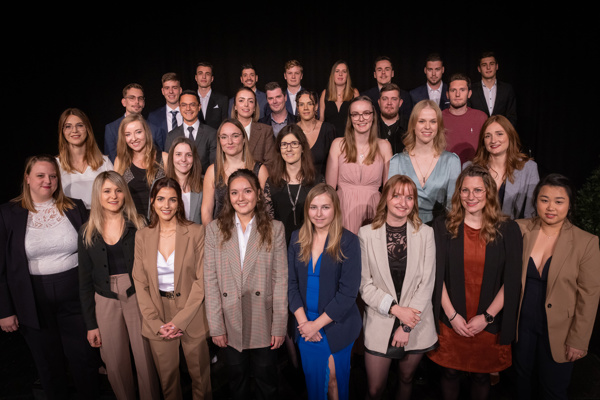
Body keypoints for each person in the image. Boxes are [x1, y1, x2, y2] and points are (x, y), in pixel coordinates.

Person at [0, 155, 100, 399]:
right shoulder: (8, 213)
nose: (47, 180)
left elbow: (92, 252)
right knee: (48, 365)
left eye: (52, 176)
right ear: (27, 178)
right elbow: (1, 266)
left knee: (84, 360)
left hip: (75, 297)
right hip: (32, 300)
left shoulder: (75, 207)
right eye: (40, 175)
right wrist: (5, 310)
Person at [428, 164, 522, 400]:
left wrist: (487, 318)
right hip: (451, 318)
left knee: (481, 376)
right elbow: (435, 276)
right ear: (458, 193)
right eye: (465, 190)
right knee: (449, 372)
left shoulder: (508, 229)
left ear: (489, 193)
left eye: (478, 190)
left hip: (488, 321)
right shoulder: (442, 226)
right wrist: (451, 316)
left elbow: (511, 281)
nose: (471, 197)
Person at [513, 174, 600, 400]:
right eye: (544, 200)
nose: (551, 207)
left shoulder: (586, 242)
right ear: (536, 201)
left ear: (570, 205)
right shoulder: (519, 229)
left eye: (559, 201)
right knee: (521, 382)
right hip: (522, 325)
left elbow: (589, 295)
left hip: (560, 330)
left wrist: (578, 340)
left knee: (553, 389)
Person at [204, 168, 288, 400]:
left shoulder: (275, 229)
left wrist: (279, 325)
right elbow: (210, 281)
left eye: (247, 191)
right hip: (230, 321)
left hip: (264, 319)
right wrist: (216, 326)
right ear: (228, 197)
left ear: (258, 194)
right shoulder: (214, 230)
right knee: (237, 385)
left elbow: (280, 280)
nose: (240, 198)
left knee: (267, 385)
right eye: (234, 192)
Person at [78, 171, 160, 400]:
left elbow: (153, 269)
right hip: (104, 299)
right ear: (98, 195)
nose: (113, 196)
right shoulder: (87, 232)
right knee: (114, 363)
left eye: (118, 190)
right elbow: (84, 282)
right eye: (107, 191)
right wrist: (91, 325)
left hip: (137, 295)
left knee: (146, 359)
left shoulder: (140, 223)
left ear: (125, 193)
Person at [359, 174, 438, 400]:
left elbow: (427, 283)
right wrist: (396, 310)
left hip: (415, 321)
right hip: (380, 317)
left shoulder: (426, 233)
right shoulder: (366, 234)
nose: (403, 203)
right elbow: (365, 285)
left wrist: (406, 325)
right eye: (397, 196)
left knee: (406, 379)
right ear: (386, 198)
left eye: (409, 197)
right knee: (375, 390)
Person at [132, 177, 212, 400]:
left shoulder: (196, 232)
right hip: (157, 314)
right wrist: (155, 322)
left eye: (172, 199)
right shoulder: (142, 236)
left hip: (191, 313)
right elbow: (140, 282)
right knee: (168, 384)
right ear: (152, 201)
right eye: (160, 199)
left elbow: (202, 281)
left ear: (179, 203)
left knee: (201, 381)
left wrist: (180, 320)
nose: (166, 205)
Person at [288, 183, 362, 400]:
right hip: (304, 324)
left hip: (335, 325)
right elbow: (291, 284)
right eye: (313, 207)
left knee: (334, 382)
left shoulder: (349, 241)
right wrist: (305, 324)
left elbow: (348, 293)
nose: (318, 214)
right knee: (314, 381)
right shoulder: (296, 238)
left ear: (335, 209)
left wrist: (316, 326)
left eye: (325, 207)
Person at [326, 96, 393, 234]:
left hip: (374, 211)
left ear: (373, 116)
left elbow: (389, 190)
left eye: (366, 113)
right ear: (350, 118)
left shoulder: (384, 146)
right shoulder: (338, 145)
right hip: (343, 211)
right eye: (355, 114)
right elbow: (330, 190)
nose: (361, 118)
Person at [387, 99, 461, 225]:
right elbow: (391, 203)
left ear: (439, 126)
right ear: (413, 124)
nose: (427, 126)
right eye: (421, 121)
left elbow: (453, 206)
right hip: (405, 226)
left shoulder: (452, 161)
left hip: (440, 228)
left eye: (433, 121)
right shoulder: (397, 161)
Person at [464, 115, 539, 219]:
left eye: (499, 134)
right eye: (487, 136)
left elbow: (531, 213)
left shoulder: (529, 168)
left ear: (510, 136)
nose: (493, 140)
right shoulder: (469, 168)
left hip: (515, 227)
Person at [201, 118, 268, 225]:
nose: (230, 142)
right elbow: (207, 210)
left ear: (244, 139)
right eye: (224, 137)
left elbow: (266, 208)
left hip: (253, 231)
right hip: (220, 232)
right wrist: (211, 234)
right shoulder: (212, 171)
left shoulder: (259, 170)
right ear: (219, 141)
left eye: (235, 136)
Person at [264, 124, 323, 244]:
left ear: (303, 148)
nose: (289, 149)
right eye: (284, 144)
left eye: (294, 143)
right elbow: (267, 223)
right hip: (280, 245)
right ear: (279, 149)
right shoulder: (271, 183)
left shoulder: (317, 181)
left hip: (310, 244)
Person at [56, 107, 114, 209]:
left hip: (101, 216)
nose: (74, 130)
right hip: (70, 217)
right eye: (68, 126)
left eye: (80, 125)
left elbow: (116, 194)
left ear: (87, 128)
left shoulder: (104, 162)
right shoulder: (55, 165)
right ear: (62, 131)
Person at [114, 113, 165, 219]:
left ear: (146, 132)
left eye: (138, 132)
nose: (134, 138)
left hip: (161, 221)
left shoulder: (164, 158)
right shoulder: (120, 161)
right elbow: (117, 196)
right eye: (128, 134)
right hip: (132, 221)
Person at [104, 83, 166, 161]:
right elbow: (111, 160)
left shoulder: (155, 129)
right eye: (132, 98)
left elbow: (160, 159)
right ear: (124, 102)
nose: (137, 102)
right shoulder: (111, 128)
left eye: (140, 98)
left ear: (144, 103)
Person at [164, 90, 217, 175]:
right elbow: (169, 166)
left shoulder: (211, 134)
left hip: (204, 181)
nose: (188, 108)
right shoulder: (171, 136)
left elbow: (214, 167)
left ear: (199, 107)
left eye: (192, 105)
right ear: (179, 107)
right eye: (184, 105)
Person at [441, 73, 488, 165]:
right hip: (445, 170)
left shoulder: (481, 117)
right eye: (453, 90)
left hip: (474, 169)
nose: (457, 94)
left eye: (462, 90)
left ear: (469, 93)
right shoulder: (438, 118)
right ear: (447, 94)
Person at [231, 86, 278, 170]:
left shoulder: (265, 131)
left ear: (254, 107)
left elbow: (270, 163)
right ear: (235, 106)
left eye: (250, 101)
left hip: (258, 177)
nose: (246, 104)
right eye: (241, 100)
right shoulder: (225, 130)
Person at [468, 51, 517, 128]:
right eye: (484, 65)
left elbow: (512, 116)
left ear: (496, 66)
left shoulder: (507, 89)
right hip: (478, 133)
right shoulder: (471, 90)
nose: (488, 67)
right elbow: (468, 116)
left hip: (501, 133)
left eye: (491, 64)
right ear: (479, 69)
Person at [295, 89, 336, 176]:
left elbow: (335, 164)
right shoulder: (291, 131)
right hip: (297, 182)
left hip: (323, 182)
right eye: (301, 104)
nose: (305, 108)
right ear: (297, 108)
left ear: (316, 107)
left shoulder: (328, 130)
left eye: (310, 104)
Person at [164, 136, 204, 224]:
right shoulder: (159, 184)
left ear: (194, 158)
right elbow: (152, 218)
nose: (183, 159)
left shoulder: (205, 184)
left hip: (197, 232)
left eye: (188, 155)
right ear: (171, 157)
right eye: (178, 154)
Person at [319, 60, 360, 137]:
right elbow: (321, 120)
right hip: (329, 138)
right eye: (337, 71)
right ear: (333, 74)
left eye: (344, 71)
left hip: (349, 138)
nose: (340, 74)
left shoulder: (354, 93)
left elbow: (359, 119)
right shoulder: (325, 93)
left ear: (347, 75)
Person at [195, 61, 229, 130]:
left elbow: (225, 125)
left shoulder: (222, 100)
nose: (204, 77)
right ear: (196, 77)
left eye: (207, 74)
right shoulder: (190, 99)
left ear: (212, 78)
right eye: (200, 73)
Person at [377, 82, 408, 155]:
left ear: (400, 103)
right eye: (385, 99)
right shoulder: (370, 126)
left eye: (394, 99)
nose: (389, 103)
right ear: (379, 102)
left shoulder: (409, 127)